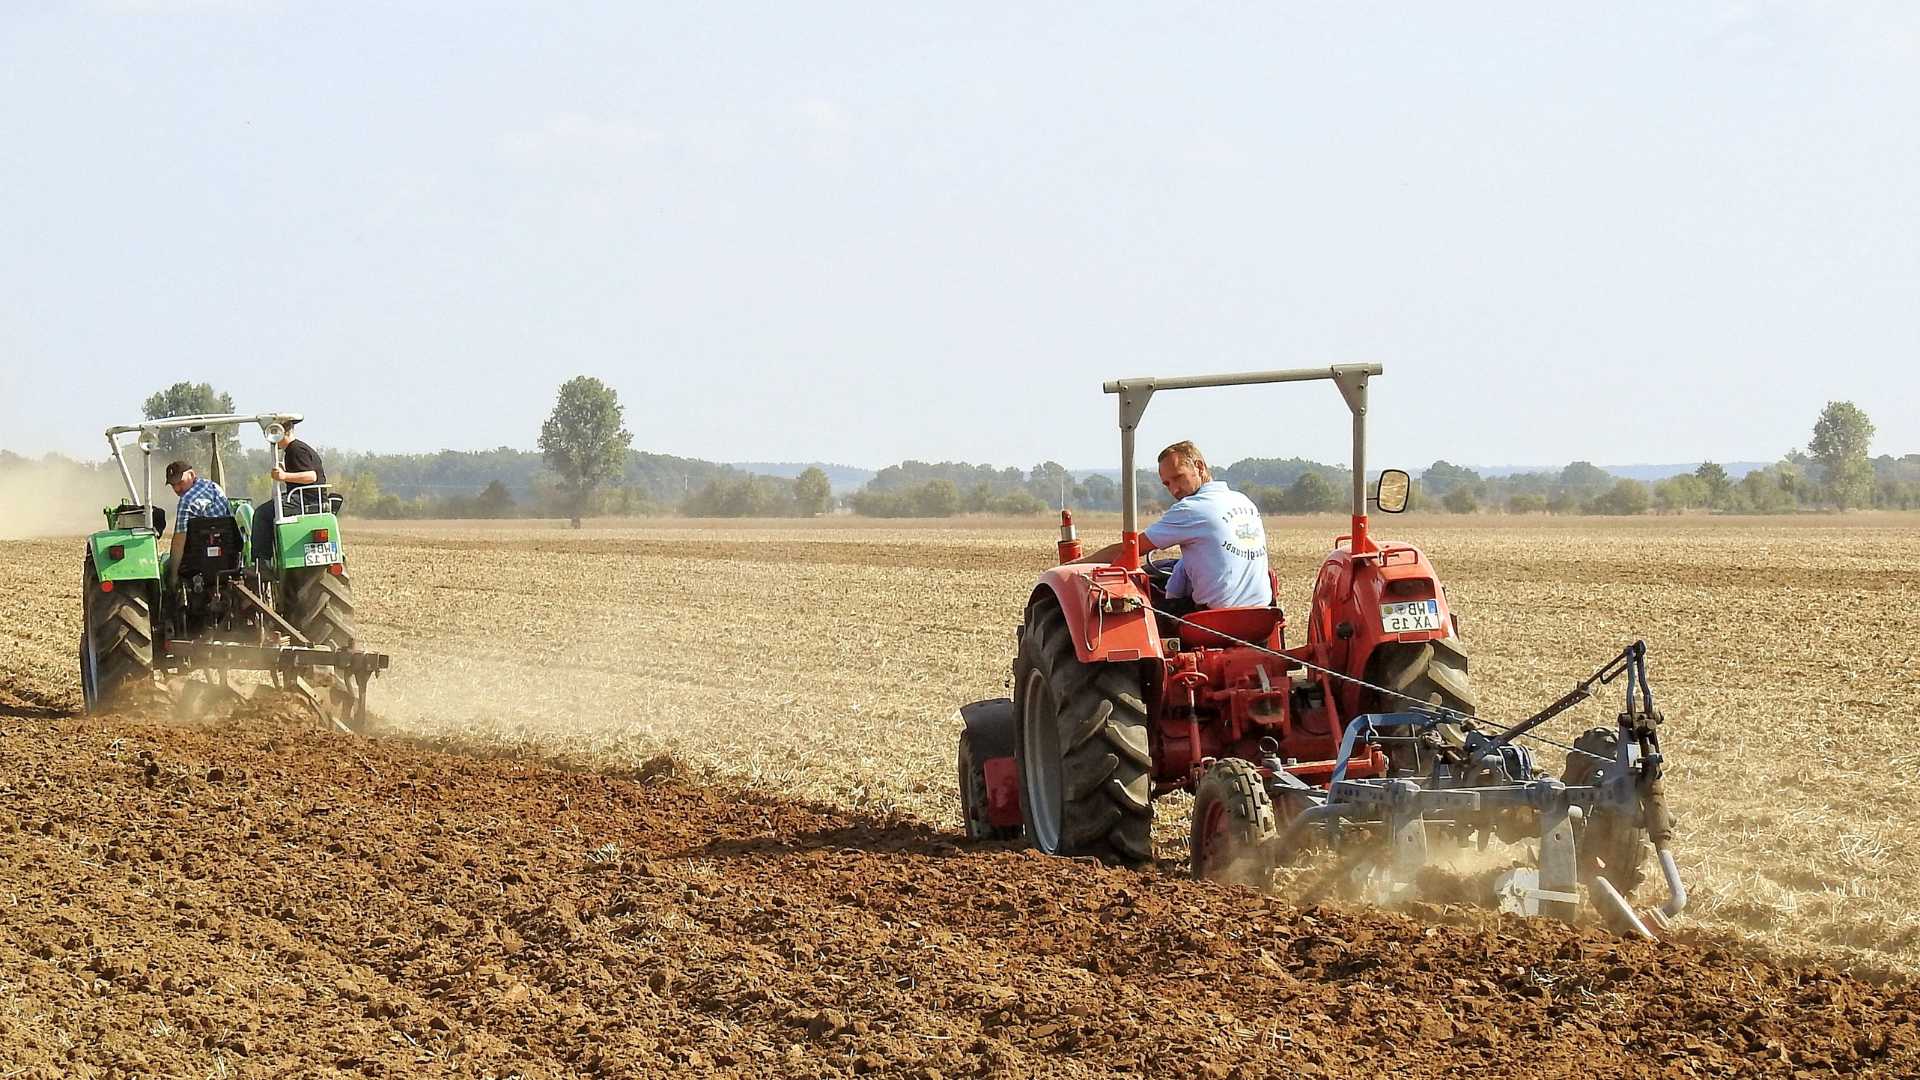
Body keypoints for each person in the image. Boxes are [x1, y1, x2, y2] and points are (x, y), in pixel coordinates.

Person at [1077, 440, 1271, 611]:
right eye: (1167, 484)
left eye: (1178, 477)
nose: (1174, 490)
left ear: (1199, 467)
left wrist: (1076, 566)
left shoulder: (1191, 508)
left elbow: (1130, 549)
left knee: (1142, 609)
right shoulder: (1243, 501)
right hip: (1261, 615)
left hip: (1213, 618)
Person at [252, 418, 328, 566]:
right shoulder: (299, 449)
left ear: (281, 433)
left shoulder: (295, 450)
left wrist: (284, 476)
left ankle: (261, 562)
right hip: (309, 499)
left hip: (303, 500)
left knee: (261, 514)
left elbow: (311, 476)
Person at [163, 460, 232, 583]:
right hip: (227, 555)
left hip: (198, 560)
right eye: (173, 485)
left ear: (192, 474)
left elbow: (179, 541)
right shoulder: (215, 487)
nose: (177, 488)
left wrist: (173, 576)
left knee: (166, 565)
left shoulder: (186, 501)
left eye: (180, 482)